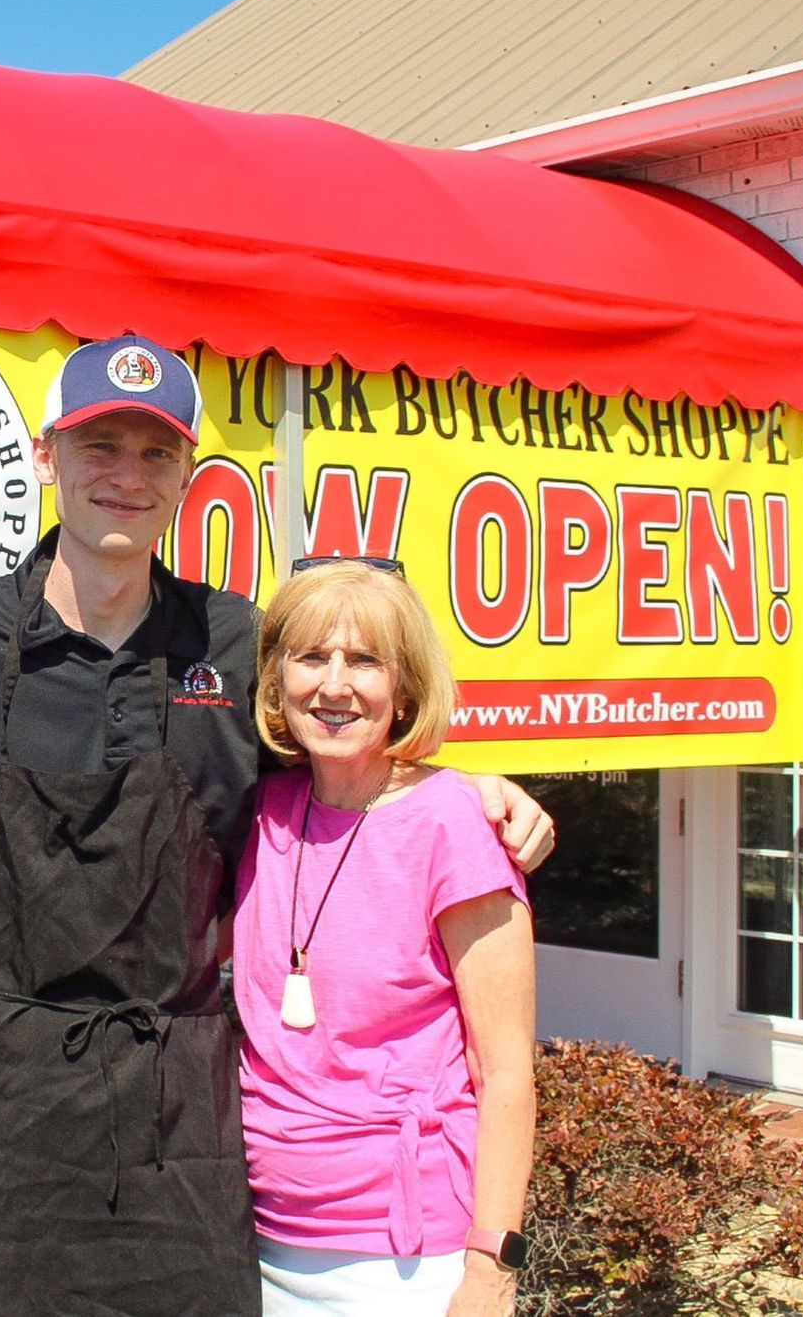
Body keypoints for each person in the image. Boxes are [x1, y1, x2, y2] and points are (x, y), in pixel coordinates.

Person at [0, 335, 553, 1317]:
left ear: (189, 475)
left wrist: (468, 785)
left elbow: (355, 747)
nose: (127, 473)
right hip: (13, 1127)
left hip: (190, 1120)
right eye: (100, 444)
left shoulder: (240, 644)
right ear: (46, 456)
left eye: (156, 451)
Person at [235, 560, 536, 1317]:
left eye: (365, 661)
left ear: (403, 688)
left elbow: (504, 1072)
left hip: (405, 1264)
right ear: (275, 681)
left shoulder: (453, 825)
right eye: (310, 657)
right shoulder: (260, 808)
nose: (334, 686)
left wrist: (492, 1271)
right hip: (253, 1242)